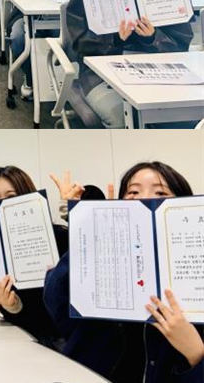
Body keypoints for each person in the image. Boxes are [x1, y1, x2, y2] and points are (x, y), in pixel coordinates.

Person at [45, 162, 204, 383]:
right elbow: (57, 305)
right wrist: (88, 231)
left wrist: (196, 351)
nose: (144, 199)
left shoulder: (195, 269)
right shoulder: (103, 254)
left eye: (160, 192)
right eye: (133, 192)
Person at [66, 0, 194, 128]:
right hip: (102, 74)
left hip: (159, 71)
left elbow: (182, 43)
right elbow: (79, 42)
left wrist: (152, 38)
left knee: (185, 116)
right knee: (122, 118)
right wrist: (115, 38)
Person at [0, 166, 68, 348]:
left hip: (64, 344)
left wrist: (74, 215)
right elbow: (25, 320)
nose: (2, 205)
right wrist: (13, 307)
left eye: (11, 197)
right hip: (24, 343)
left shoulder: (58, 237)